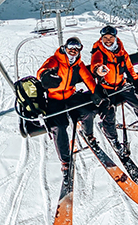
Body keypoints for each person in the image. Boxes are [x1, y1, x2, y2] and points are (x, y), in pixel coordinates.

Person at [37, 37, 107, 179]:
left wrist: (96, 93)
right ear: (65, 47)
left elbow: (87, 78)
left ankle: (88, 134)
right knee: (59, 126)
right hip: (54, 98)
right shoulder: (56, 60)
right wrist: (46, 77)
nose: (73, 51)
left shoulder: (78, 64)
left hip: (69, 95)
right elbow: (42, 71)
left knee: (87, 111)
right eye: (71, 47)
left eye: (77, 48)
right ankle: (65, 161)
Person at [90, 25, 138, 153]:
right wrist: (99, 70)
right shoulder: (99, 51)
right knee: (109, 112)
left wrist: (135, 80)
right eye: (105, 38)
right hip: (106, 87)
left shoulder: (121, 52)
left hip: (121, 84)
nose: (108, 40)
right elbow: (95, 64)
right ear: (101, 38)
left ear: (115, 38)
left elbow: (129, 68)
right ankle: (112, 138)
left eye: (111, 38)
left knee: (137, 102)